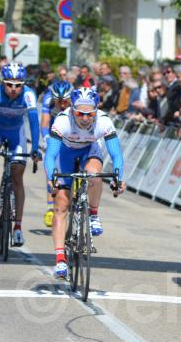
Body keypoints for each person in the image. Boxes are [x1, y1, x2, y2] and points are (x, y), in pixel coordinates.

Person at [44, 88, 126, 279]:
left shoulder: (104, 121)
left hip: (88, 151)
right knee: (61, 206)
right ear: (72, 110)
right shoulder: (63, 120)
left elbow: (116, 154)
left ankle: (94, 215)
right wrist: (50, 177)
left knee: (94, 174)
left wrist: (119, 178)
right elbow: (51, 154)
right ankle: (60, 260)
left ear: (96, 111)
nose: (85, 118)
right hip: (65, 153)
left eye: (90, 114)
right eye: (80, 113)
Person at [0, 62, 41, 247]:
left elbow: (34, 123)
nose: (13, 89)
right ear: (3, 83)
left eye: (18, 85)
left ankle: (18, 227)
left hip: (16, 133)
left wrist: (35, 148)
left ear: (23, 85)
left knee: (17, 177)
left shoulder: (28, 95)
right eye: (9, 84)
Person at [39, 81, 74, 226]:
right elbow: (45, 124)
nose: (62, 104)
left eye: (65, 101)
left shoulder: (76, 101)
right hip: (56, 131)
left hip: (73, 133)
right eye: (59, 101)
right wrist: (47, 139)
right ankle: (50, 207)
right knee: (51, 166)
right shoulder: (48, 100)